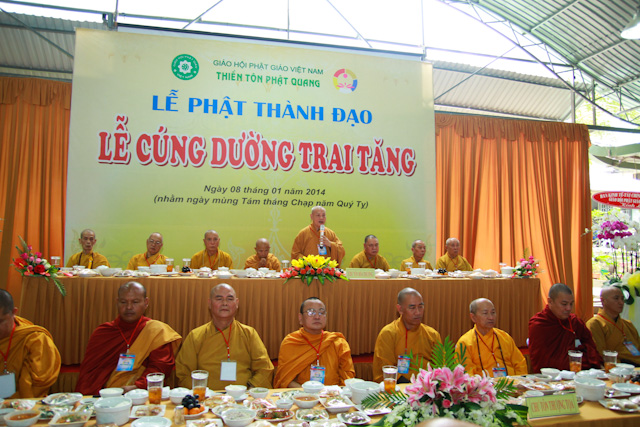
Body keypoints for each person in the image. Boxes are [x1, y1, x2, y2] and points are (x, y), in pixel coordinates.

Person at [76, 282, 181, 394]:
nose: (129, 307)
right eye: (123, 302)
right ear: (117, 302)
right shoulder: (102, 333)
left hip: (140, 395)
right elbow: (89, 375)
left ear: (146, 303)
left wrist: (137, 387)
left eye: (135, 302)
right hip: (105, 395)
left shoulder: (156, 331)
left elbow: (159, 368)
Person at [176, 283, 274, 390]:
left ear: (237, 303)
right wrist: (202, 393)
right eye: (219, 299)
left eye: (229, 299)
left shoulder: (249, 334)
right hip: (207, 396)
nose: (224, 303)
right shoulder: (195, 336)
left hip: (242, 396)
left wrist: (250, 390)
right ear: (209, 303)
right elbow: (183, 373)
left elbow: (265, 368)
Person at [273, 297, 355, 388]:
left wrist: (332, 393)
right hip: (300, 393)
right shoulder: (291, 342)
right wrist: (307, 392)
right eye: (311, 312)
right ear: (300, 318)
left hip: (333, 394)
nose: (317, 317)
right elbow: (285, 379)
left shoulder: (338, 342)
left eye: (321, 312)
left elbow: (347, 378)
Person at [528, 283, 602, 373]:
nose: (568, 308)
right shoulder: (539, 324)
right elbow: (540, 360)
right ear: (550, 301)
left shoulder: (574, 322)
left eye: (571, 304)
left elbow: (591, 348)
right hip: (552, 376)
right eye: (564, 304)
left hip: (579, 373)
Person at [373, 288, 442, 383]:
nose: (418, 312)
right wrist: (410, 386)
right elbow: (385, 370)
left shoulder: (432, 335)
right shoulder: (388, 333)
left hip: (427, 385)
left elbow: (440, 368)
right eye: (412, 308)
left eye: (420, 307)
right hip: (398, 386)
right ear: (400, 309)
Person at [0, 290, 60, 398]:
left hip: (23, 404)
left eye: (0, 322)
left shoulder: (34, 339)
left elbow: (34, 385)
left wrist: (8, 403)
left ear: (14, 312)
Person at [456, 298, 527, 377]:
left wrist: (520, 380)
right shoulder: (465, 343)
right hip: (483, 384)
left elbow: (520, 364)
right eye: (485, 313)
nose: (491, 317)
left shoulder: (504, 337)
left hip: (511, 382)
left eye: (493, 313)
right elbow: (467, 374)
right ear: (473, 317)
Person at [587, 285, 640, 366]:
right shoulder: (595, 324)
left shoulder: (628, 324)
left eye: (622, 299)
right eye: (616, 298)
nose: (621, 302)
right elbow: (600, 354)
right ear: (603, 300)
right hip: (617, 366)